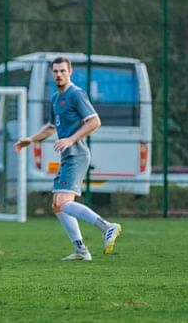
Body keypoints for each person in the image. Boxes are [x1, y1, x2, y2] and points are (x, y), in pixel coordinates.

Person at [13, 56, 121, 261]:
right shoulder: (55, 98)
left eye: (62, 71)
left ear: (70, 72)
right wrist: (30, 139)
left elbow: (94, 121)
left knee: (62, 203)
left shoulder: (76, 94)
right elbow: (51, 127)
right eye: (55, 71)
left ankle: (107, 227)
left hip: (77, 154)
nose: (58, 75)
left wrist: (71, 139)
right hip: (67, 156)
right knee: (57, 205)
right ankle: (81, 250)